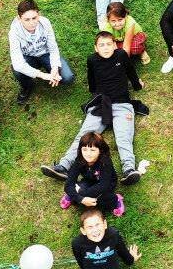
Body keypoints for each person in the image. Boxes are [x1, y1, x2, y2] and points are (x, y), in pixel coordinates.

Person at [41, 32, 145, 186]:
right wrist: (94, 93)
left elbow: (131, 72)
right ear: (96, 48)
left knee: (123, 138)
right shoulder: (92, 60)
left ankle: (129, 169)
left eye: (109, 44)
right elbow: (92, 80)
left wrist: (137, 85)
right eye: (101, 45)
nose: (106, 48)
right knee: (83, 136)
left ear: (115, 45)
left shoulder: (122, 55)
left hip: (122, 105)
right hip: (101, 104)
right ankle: (63, 166)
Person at [9, 0, 75, 105]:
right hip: (28, 57)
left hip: (45, 54)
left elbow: (53, 48)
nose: (32, 23)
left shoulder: (45, 23)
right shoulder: (14, 32)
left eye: (34, 18)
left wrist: (55, 68)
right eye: (27, 19)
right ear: (19, 18)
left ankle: (51, 69)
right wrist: (43, 75)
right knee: (18, 71)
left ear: (38, 14)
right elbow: (18, 64)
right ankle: (27, 86)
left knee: (67, 78)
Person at [61, 132, 124, 216]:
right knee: (75, 189)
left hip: (107, 183)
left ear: (100, 151)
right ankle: (73, 194)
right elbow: (68, 184)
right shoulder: (79, 161)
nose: (88, 154)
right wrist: (82, 199)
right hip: (89, 180)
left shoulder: (105, 162)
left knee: (102, 199)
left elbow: (103, 185)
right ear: (80, 149)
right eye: (84, 149)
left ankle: (117, 200)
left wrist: (81, 195)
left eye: (92, 150)